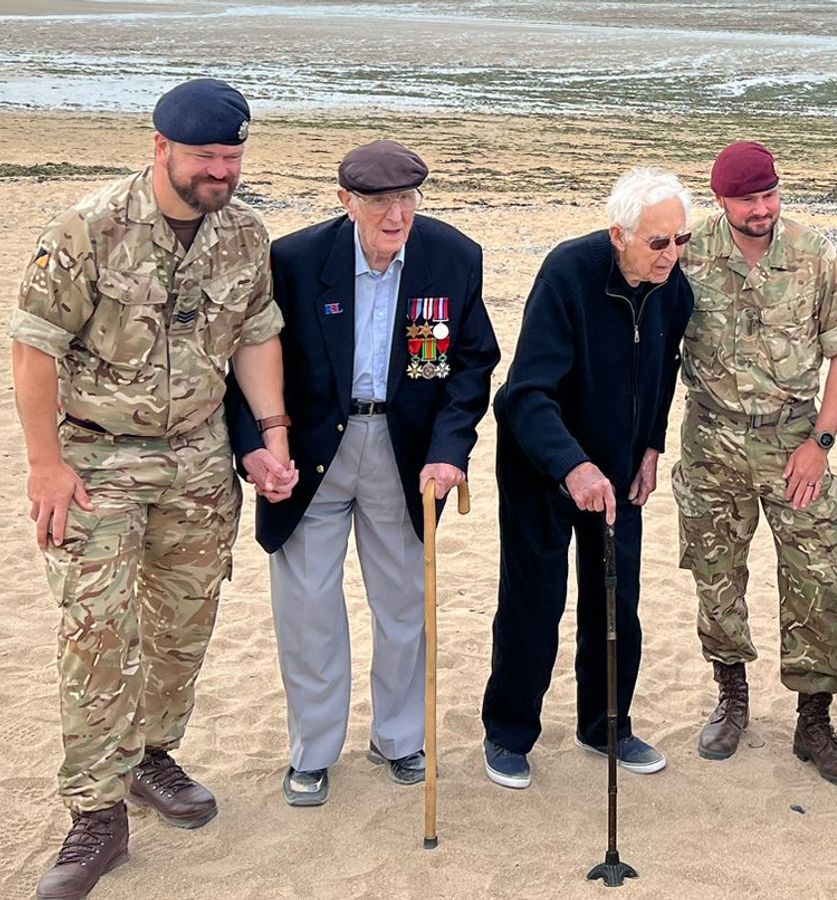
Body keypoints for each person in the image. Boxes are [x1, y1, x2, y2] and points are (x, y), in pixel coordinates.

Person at [13, 79, 293, 900]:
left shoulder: (244, 233)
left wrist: (271, 439)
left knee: (182, 624)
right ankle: (96, 813)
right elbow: (35, 352)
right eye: (206, 156)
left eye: (233, 156)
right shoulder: (88, 229)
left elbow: (254, 336)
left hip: (200, 461)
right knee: (98, 633)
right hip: (95, 462)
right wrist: (43, 465)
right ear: (161, 147)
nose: (222, 171)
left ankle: (151, 754)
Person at [224, 140, 499, 807]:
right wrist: (255, 449)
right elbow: (244, 356)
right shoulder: (293, 260)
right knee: (308, 607)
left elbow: (472, 364)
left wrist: (450, 449)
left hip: (403, 454)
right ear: (346, 201)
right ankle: (313, 753)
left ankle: (399, 740)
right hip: (311, 450)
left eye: (406, 199)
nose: (395, 216)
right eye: (378, 202)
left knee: (405, 606)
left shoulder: (453, 257)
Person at [480, 167, 694, 787]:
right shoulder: (568, 274)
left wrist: (651, 445)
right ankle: (510, 733)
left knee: (616, 604)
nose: (672, 255)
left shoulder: (673, 288)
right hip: (542, 465)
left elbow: (664, 376)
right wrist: (573, 466)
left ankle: (606, 726)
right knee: (533, 601)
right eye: (658, 243)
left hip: (620, 473)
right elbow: (525, 394)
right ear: (618, 234)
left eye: (681, 241)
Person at [674, 140, 837, 786]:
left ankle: (815, 719)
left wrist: (821, 443)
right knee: (715, 571)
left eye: (770, 195)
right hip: (712, 439)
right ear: (721, 201)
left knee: (815, 574)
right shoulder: (690, 252)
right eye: (748, 199)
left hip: (793, 438)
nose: (762, 209)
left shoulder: (816, 257)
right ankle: (731, 696)